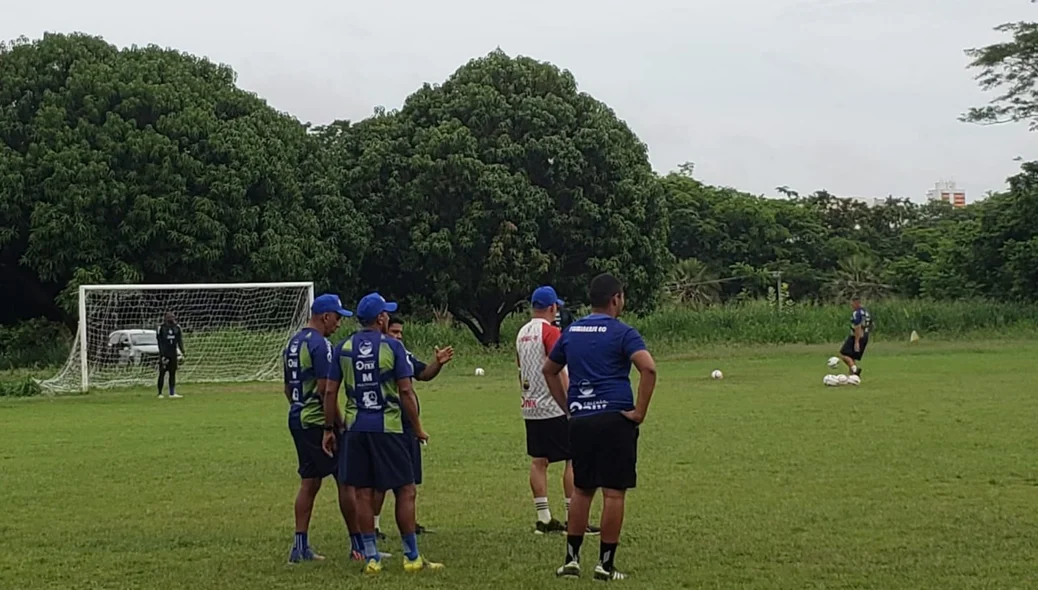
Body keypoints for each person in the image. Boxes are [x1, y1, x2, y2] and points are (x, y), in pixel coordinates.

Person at [543, 273, 657, 581]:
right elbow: (648, 368)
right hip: (615, 419)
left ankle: (571, 560)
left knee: (582, 490)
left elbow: (549, 370)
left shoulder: (571, 331)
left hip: (581, 420)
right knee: (614, 494)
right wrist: (639, 413)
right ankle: (605, 565)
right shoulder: (623, 332)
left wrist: (569, 408)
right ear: (616, 298)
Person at [324, 293, 443, 574]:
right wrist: (417, 427)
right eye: (386, 313)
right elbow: (406, 390)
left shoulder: (343, 347)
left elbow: (329, 391)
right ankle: (412, 557)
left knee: (363, 493)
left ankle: (372, 558)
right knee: (405, 489)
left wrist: (330, 428)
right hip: (388, 428)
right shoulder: (392, 347)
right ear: (380, 319)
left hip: (355, 429)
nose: (388, 316)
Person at [517, 286, 600, 536]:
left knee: (539, 461)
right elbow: (559, 368)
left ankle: (543, 518)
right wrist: (570, 402)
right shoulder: (550, 331)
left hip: (531, 406)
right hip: (554, 405)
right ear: (552, 307)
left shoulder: (521, 333)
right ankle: (574, 519)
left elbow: (520, 368)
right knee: (572, 458)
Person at [283, 293, 352, 563]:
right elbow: (326, 391)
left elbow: (288, 388)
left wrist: (299, 408)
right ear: (325, 316)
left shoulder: (292, 342)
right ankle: (359, 546)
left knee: (309, 482)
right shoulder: (321, 345)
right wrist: (334, 426)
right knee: (346, 479)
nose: (339, 324)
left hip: (297, 418)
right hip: (316, 421)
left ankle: (299, 547)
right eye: (337, 318)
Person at [369, 317, 453, 538]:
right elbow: (404, 391)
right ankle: (374, 526)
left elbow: (423, 373)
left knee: (408, 480)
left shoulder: (401, 352)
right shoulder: (378, 354)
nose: (398, 336)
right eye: (394, 332)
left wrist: (438, 363)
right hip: (389, 422)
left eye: (400, 333)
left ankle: (409, 523)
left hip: (406, 425)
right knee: (382, 480)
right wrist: (419, 428)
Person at [839, 296, 872, 376]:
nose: (851, 306)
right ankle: (853, 377)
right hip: (865, 336)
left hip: (856, 336)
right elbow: (870, 324)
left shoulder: (856, 313)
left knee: (844, 354)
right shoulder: (866, 312)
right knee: (852, 356)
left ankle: (855, 369)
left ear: (856, 303)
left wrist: (856, 341)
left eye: (852, 304)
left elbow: (858, 326)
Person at [157, 312, 185, 399]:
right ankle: (160, 393)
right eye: (169, 317)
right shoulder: (161, 328)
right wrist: (162, 355)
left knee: (172, 373)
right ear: (165, 318)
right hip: (165, 353)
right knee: (162, 373)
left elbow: (179, 340)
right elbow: (159, 342)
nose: (172, 319)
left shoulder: (177, 328)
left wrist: (182, 351)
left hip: (173, 353)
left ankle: (172, 393)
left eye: (173, 317)